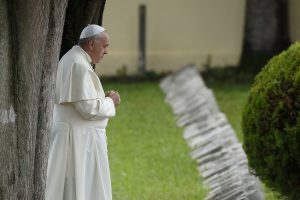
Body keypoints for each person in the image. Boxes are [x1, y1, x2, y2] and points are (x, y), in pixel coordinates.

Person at [46, 24, 120, 200]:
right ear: (92, 44)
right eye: (105, 46)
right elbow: (87, 109)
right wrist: (110, 102)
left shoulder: (75, 59)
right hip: (77, 139)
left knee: (77, 187)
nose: (106, 51)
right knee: (77, 189)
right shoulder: (77, 64)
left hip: (79, 137)